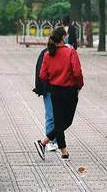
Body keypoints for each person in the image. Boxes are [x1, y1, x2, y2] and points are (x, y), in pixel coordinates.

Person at [36, 27, 84, 160]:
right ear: (63, 37)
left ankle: (45, 142)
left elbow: (42, 75)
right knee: (66, 121)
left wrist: (50, 84)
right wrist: (79, 86)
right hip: (70, 91)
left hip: (55, 91)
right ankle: (61, 151)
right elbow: (77, 73)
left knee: (59, 121)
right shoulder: (71, 52)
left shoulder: (48, 54)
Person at [32, 44, 57, 155]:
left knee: (55, 116)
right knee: (51, 115)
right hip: (50, 89)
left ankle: (52, 140)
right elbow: (40, 72)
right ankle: (51, 141)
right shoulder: (45, 53)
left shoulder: (66, 53)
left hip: (56, 88)